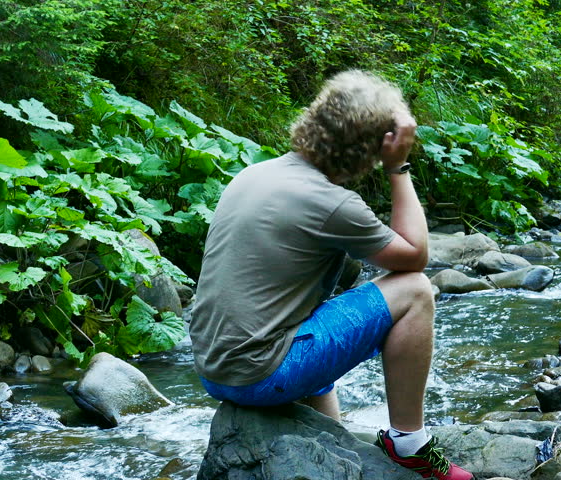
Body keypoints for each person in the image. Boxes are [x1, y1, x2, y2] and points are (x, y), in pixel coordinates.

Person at [189, 70, 472, 480]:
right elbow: (414, 258)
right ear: (372, 149)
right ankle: (409, 443)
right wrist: (399, 167)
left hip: (214, 370)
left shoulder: (257, 173)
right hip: (260, 375)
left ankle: (334, 449)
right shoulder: (330, 202)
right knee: (415, 291)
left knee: (311, 320)